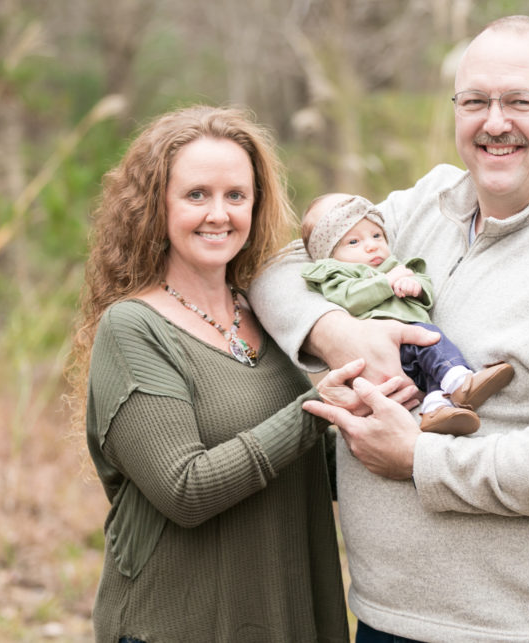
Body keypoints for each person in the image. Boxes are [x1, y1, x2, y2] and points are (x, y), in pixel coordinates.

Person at [249, 16, 529, 642]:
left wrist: (421, 458)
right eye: (475, 101)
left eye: (521, 101)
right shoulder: (425, 207)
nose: (495, 121)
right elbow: (279, 265)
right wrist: (334, 331)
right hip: (382, 616)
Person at [67, 105, 404, 642]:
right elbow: (185, 489)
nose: (218, 214)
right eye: (196, 195)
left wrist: (384, 418)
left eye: (236, 196)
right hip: (181, 624)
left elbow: (309, 466)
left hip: (284, 610)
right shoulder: (133, 329)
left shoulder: (268, 315)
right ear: (156, 205)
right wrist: (315, 409)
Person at [300, 192, 515, 435]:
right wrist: (386, 283)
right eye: (353, 242)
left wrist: (416, 287)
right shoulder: (337, 274)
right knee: (431, 339)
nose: (372, 245)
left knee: (430, 368)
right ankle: (461, 382)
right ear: (328, 255)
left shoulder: (393, 266)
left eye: (376, 235)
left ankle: (436, 409)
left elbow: (424, 288)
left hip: (412, 351)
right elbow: (349, 298)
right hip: (388, 348)